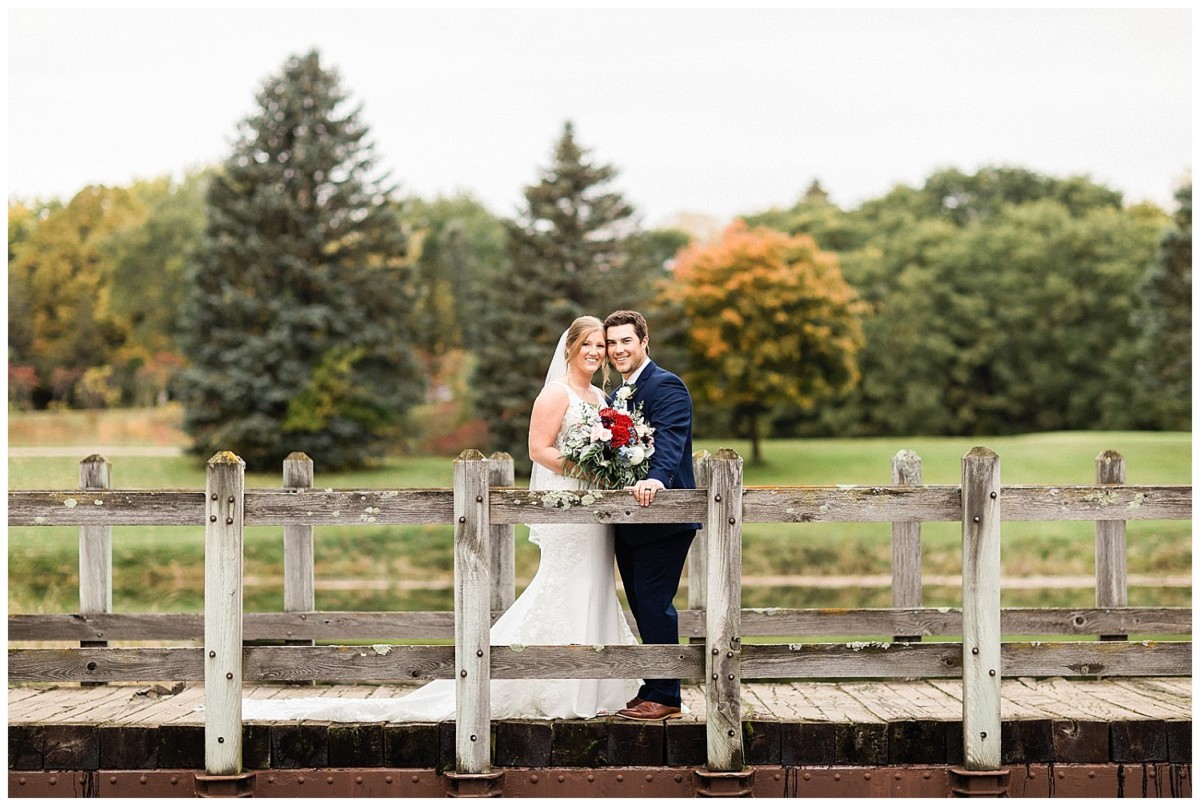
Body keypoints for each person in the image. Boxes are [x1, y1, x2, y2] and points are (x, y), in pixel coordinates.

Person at [240, 316, 639, 722]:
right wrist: (586, 470)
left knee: (595, 583)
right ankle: (552, 685)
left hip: (596, 511)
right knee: (566, 585)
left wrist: (608, 468)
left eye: (601, 346)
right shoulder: (556, 394)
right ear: (570, 347)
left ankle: (594, 686)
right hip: (568, 507)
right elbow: (538, 449)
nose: (595, 352)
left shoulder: (602, 400)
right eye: (587, 344)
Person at [603, 310, 699, 721]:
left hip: (663, 516)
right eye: (612, 343)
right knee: (642, 605)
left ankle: (667, 697)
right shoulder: (616, 395)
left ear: (644, 341)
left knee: (657, 604)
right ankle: (655, 686)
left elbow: (671, 438)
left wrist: (657, 478)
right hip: (630, 519)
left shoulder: (666, 385)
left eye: (626, 340)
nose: (618, 349)